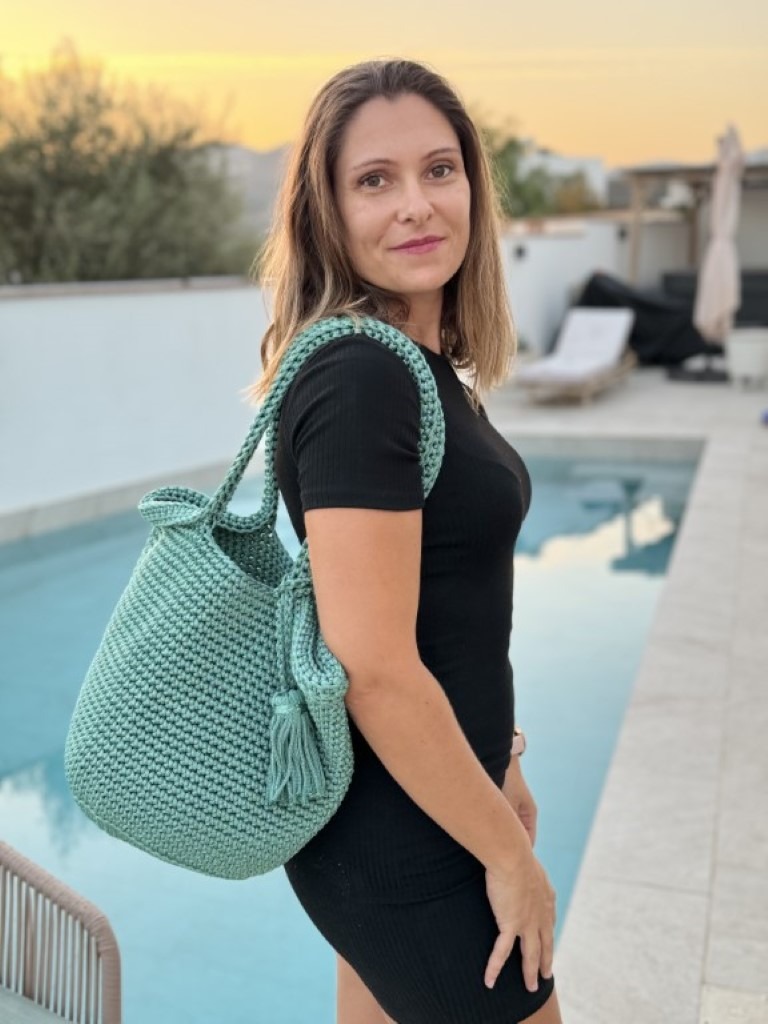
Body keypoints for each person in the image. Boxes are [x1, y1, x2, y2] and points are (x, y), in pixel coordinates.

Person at [246, 57, 561, 1024]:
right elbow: (373, 668)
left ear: (473, 185)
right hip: (408, 842)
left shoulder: (419, 368)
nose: (417, 205)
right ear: (328, 214)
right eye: (374, 180)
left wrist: (502, 758)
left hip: (431, 806)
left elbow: (453, 614)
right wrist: (509, 860)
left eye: (440, 169)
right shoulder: (361, 378)